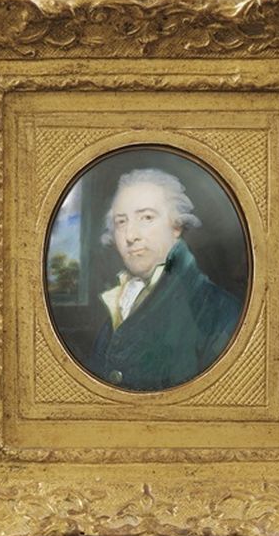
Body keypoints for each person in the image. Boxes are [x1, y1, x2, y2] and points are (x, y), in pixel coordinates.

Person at [90, 168, 242, 391]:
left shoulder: (220, 313)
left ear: (176, 226)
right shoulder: (121, 301)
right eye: (121, 222)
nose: (130, 236)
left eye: (147, 218)